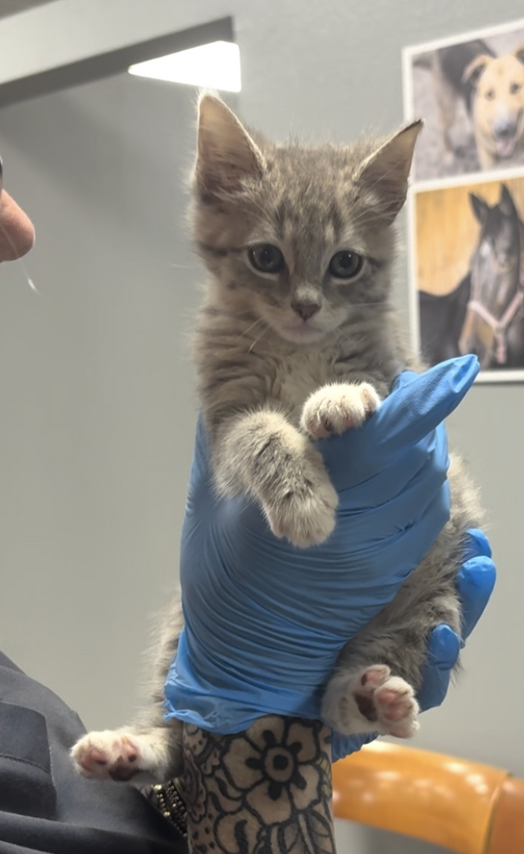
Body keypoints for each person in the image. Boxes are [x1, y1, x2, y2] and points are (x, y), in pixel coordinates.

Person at [0, 163, 496, 851]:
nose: (305, 296)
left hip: (393, 595)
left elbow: (384, 402)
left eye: (344, 264)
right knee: (209, 617)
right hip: (255, 759)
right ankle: (176, 735)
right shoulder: (224, 336)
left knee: (438, 600)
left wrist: (233, 766)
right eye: (269, 259)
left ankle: (341, 696)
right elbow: (241, 430)